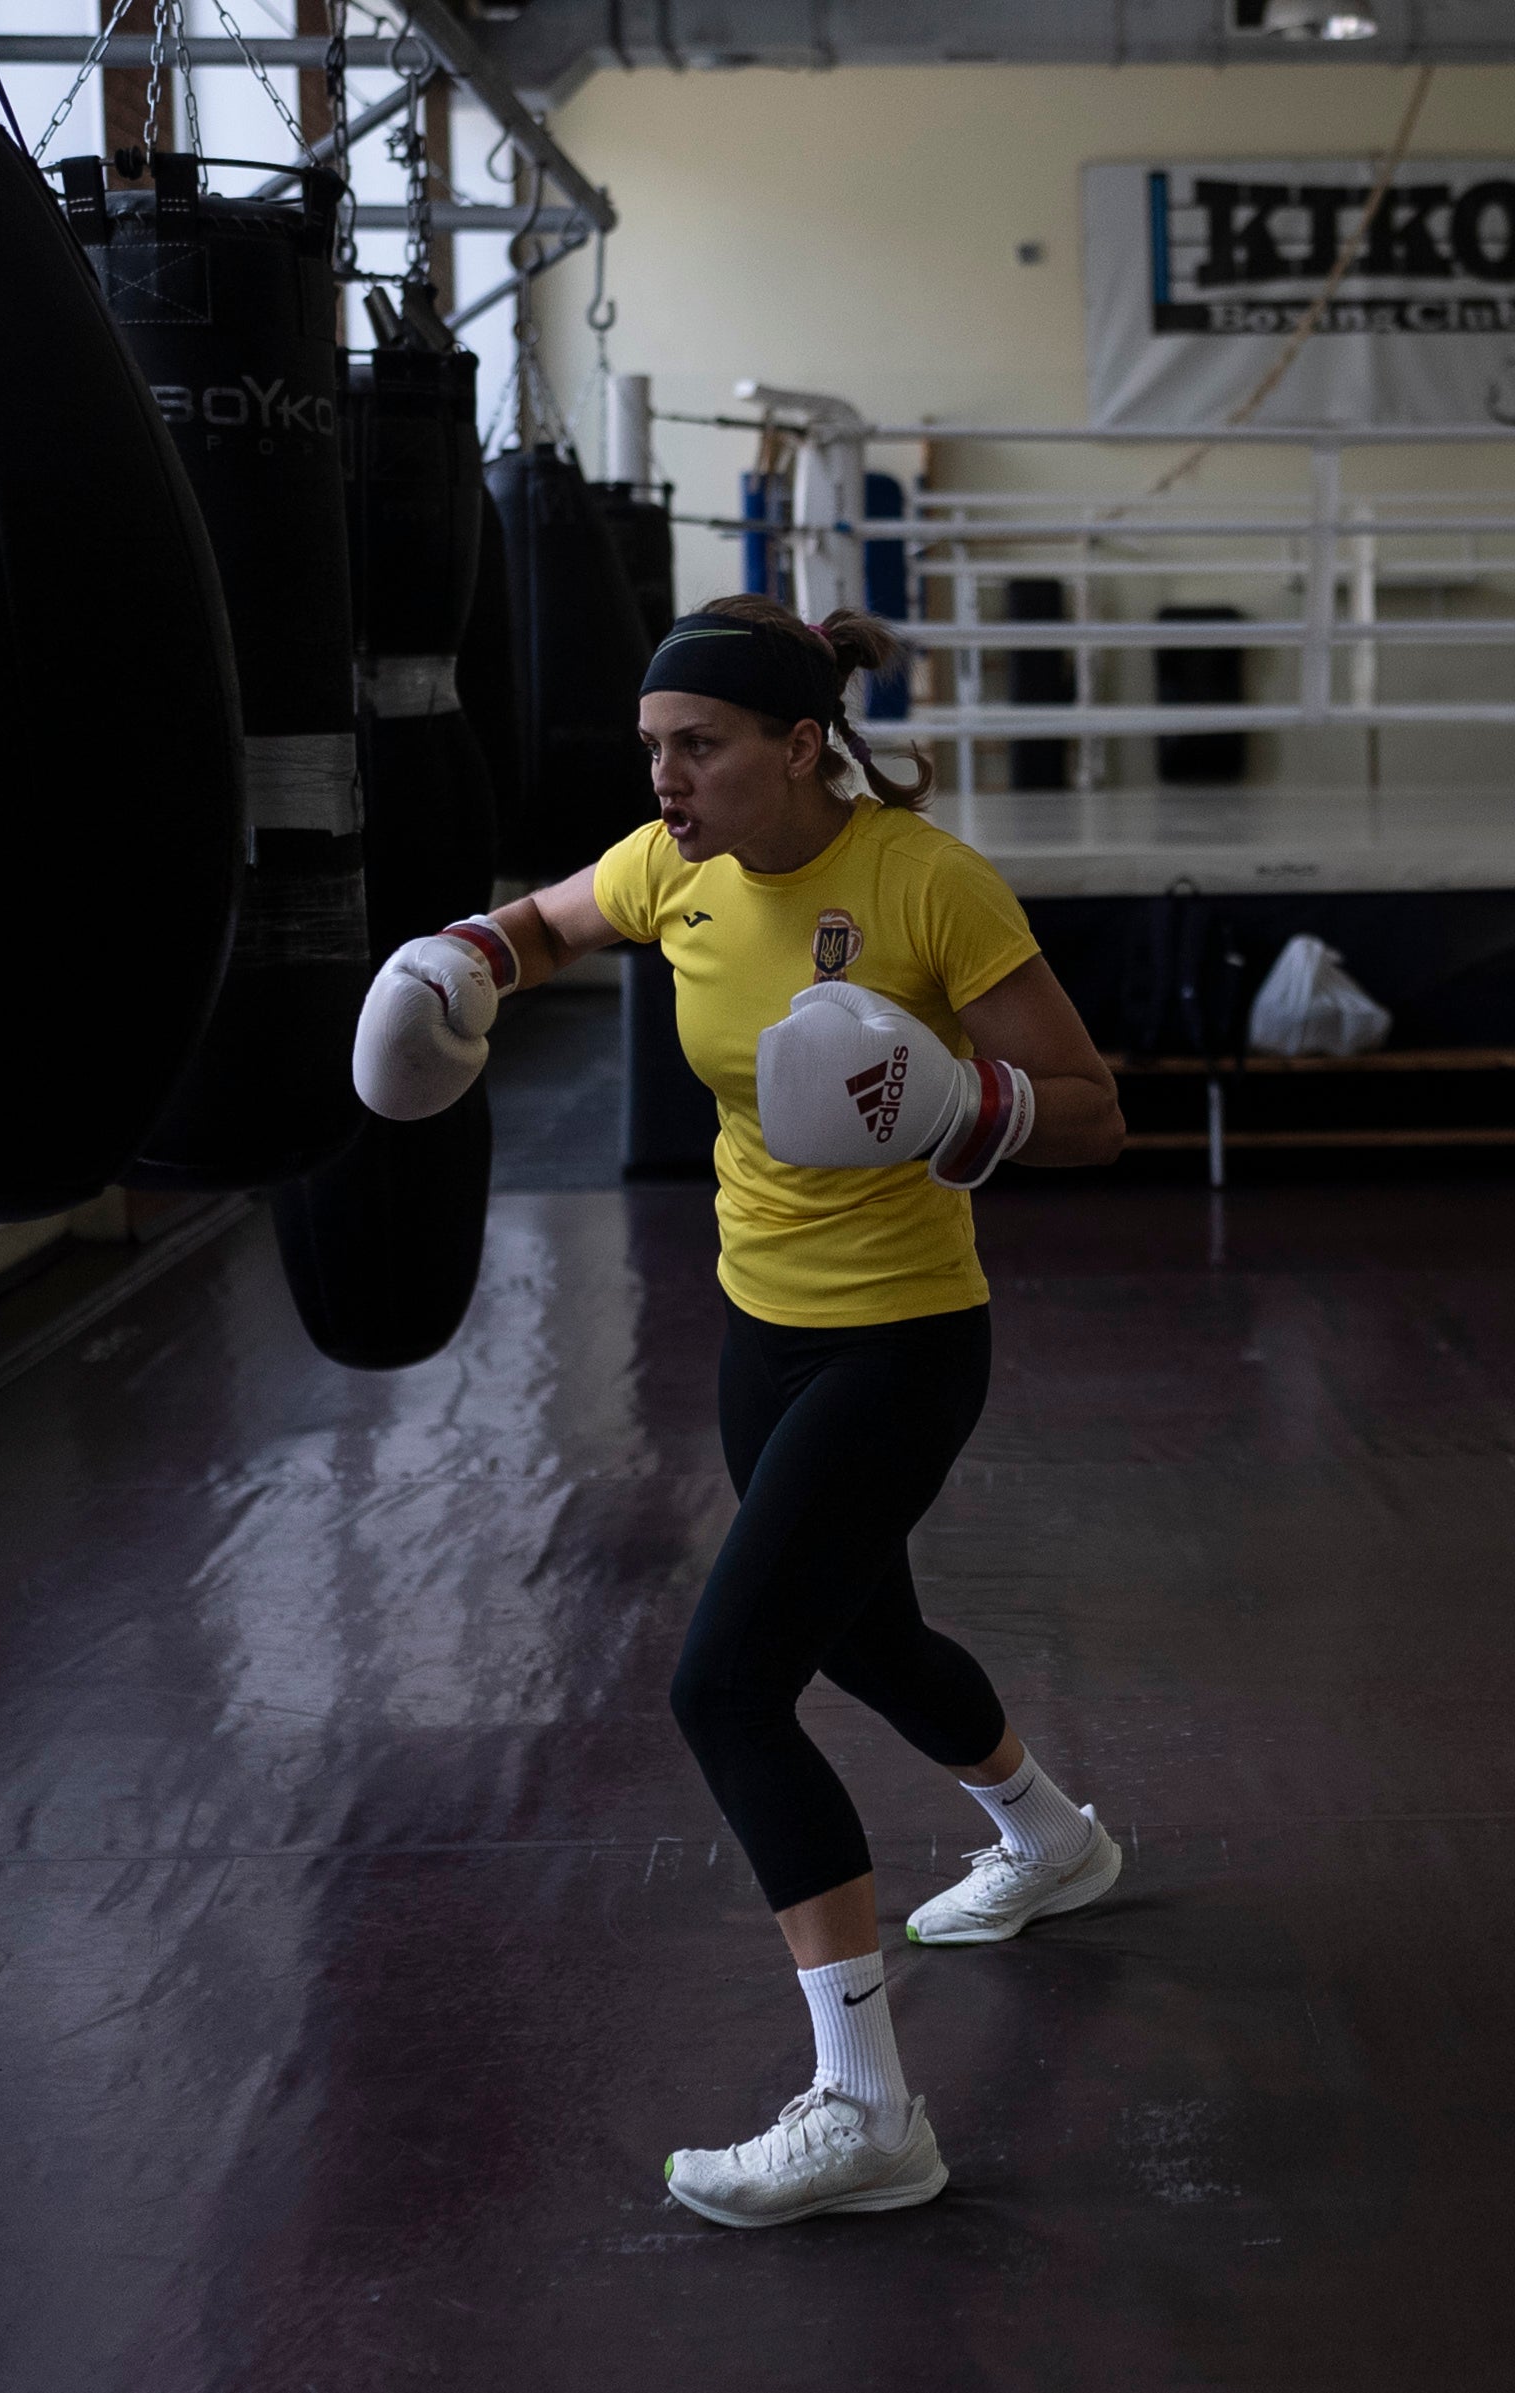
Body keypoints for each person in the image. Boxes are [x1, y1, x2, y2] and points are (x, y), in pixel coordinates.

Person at [350, 596, 1129, 2225]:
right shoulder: (672, 864)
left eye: (696, 747)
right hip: (759, 1331)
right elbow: (554, 920)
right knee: (860, 1635)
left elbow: (1094, 1114)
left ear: (798, 746)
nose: (665, 779)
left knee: (725, 1685)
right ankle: (1050, 1835)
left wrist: (954, 1102)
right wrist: (467, 956)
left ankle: (866, 2109)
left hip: (905, 1339)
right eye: (651, 749)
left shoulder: (924, 882)